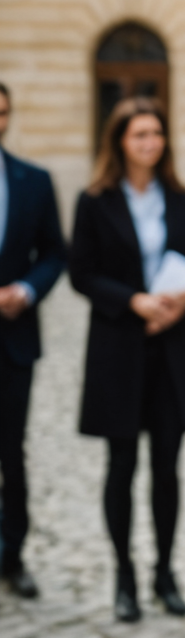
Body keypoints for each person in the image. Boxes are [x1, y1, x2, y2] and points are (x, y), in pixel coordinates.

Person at [69, 96, 185, 622]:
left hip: (172, 347)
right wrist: (134, 301)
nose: (150, 143)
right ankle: (124, 576)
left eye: (156, 133)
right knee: (122, 465)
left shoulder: (183, 199)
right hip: (119, 346)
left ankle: (165, 572)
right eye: (139, 135)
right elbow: (81, 273)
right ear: (120, 142)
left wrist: (178, 304)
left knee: (167, 467)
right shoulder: (95, 201)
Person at [0, 82, 65, 601]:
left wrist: (26, 289)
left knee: (11, 451)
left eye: (2, 113)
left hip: (13, 338)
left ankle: (13, 554)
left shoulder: (33, 181)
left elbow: (54, 252)